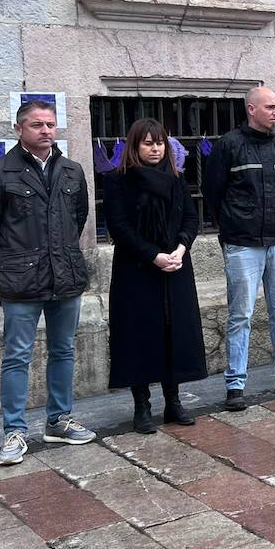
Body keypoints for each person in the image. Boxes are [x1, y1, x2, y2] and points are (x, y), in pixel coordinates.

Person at [0, 99, 95, 465]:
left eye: (51, 124)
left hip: (65, 277)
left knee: (64, 350)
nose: (46, 131)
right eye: (37, 125)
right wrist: (10, 262)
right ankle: (14, 432)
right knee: (17, 356)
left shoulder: (72, 171)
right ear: (19, 129)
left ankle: (59, 421)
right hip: (21, 283)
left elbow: (78, 217)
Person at [204, 86, 275, 410]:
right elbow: (212, 193)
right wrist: (232, 227)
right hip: (242, 245)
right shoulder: (229, 146)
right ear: (251, 109)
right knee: (240, 316)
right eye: (271, 107)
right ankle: (236, 384)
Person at [102, 118, 205, 433]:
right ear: (135, 145)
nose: (155, 148)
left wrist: (181, 248)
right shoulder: (118, 181)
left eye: (159, 142)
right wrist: (153, 256)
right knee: (140, 336)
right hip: (137, 269)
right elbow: (119, 227)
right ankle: (142, 406)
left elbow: (190, 217)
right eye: (148, 143)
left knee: (174, 332)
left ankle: (173, 402)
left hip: (175, 266)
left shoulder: (176, 178)